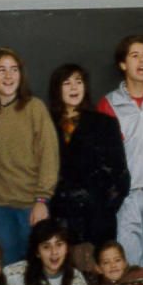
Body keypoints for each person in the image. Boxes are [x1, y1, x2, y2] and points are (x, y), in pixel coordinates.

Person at [0, 47, 60, 265]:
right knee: (6, 270)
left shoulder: (35, 108)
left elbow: (49, 156)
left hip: (31, 205)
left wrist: (42, 199)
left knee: (36, 268)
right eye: (2, 70)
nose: (8, 76)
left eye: (14, 70)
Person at [97, 34, 143, 267]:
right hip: (127, 196)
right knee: (129, 263)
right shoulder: (108, 104)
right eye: (135, 56)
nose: (142, 62)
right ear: (122, 64)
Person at [47, 63, 130, 259]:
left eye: (79, 81)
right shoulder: (46, 123)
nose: (74, 88)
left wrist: (103, 208)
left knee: (98, 271)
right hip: (60, 216)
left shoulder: (105, 123)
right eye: (67, 83)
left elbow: (121, 174)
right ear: (57, 89)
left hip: (97, 217)